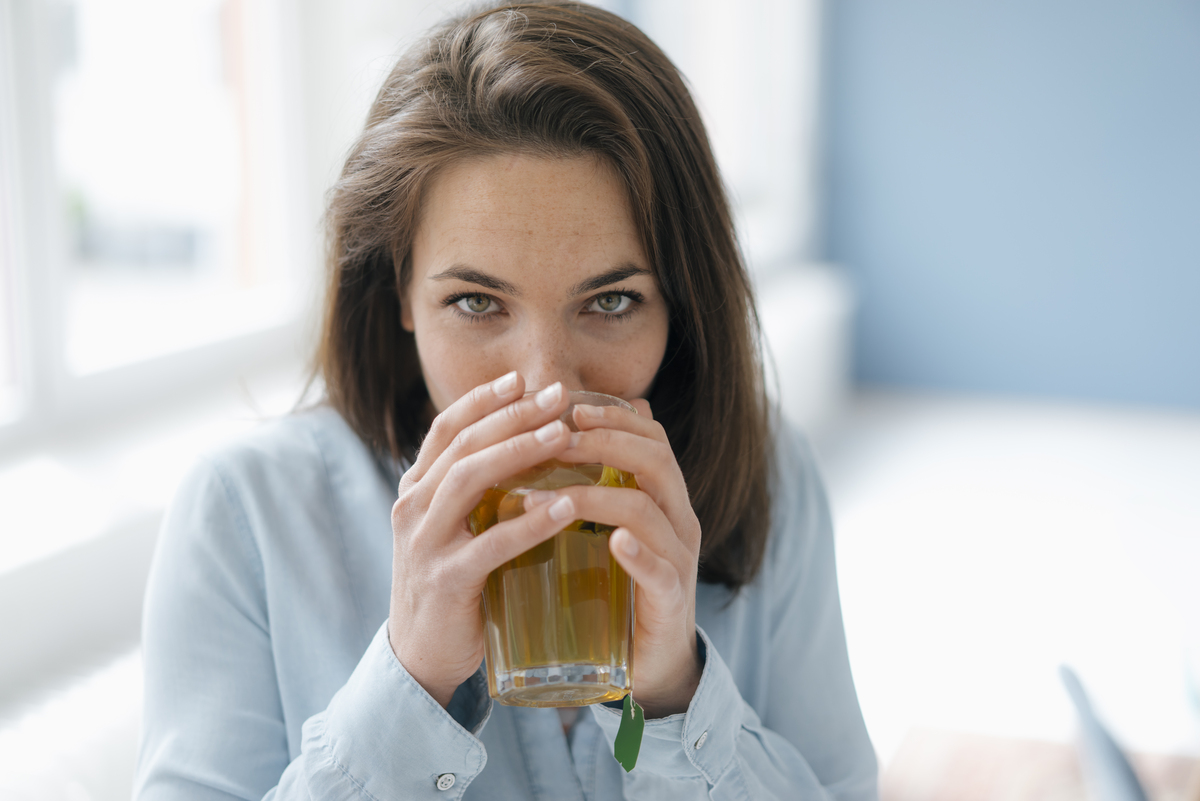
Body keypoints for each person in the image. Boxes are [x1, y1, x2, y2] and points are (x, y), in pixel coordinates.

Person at [134, 2, 878, 799]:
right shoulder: (246, 513)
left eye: (614, 301)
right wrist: (408, 683)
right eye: (478, 303)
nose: (549, 387)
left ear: (682, 305)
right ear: (398, 292)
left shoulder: (767, 471)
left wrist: (672, 699)